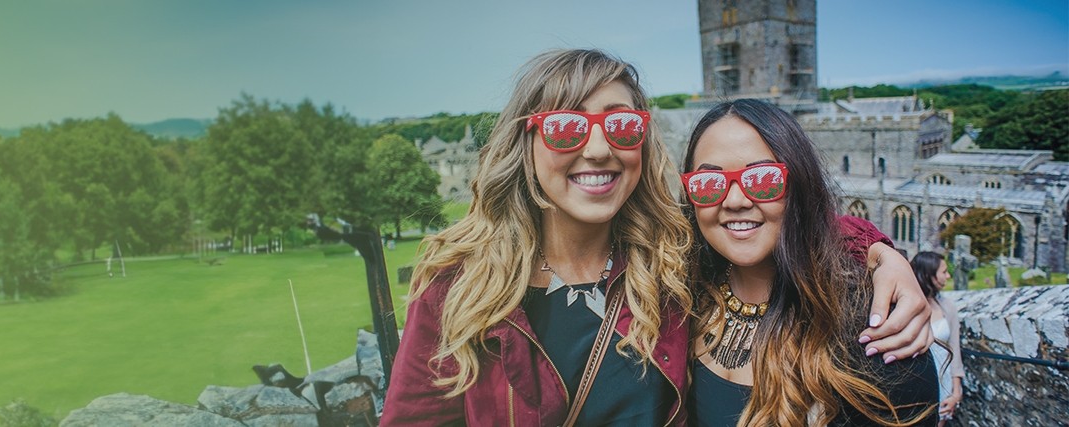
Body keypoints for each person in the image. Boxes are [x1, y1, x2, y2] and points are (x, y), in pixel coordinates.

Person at [381, 49, 932, 426]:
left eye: (620, 126)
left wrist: (880, 253)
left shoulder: (669, 259)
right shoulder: (460, 285)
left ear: (642, 141)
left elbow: (765, 216)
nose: (598, 149)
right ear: (526, 143)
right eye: (566, 127)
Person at [680, 99, 938, 426]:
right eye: (708, 184)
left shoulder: (877, 331)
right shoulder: (684, 296)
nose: (735, 201)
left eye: (763, 179)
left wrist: (883, 254)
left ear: (799, 184)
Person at [910, 252, 965, 424]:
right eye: (944, 271)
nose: (948, 276)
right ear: (928, 275)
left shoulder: (947, 307)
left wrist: (956, 391)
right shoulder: (907, 305)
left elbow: (954, 349)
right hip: (914, 384)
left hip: (943, 384)